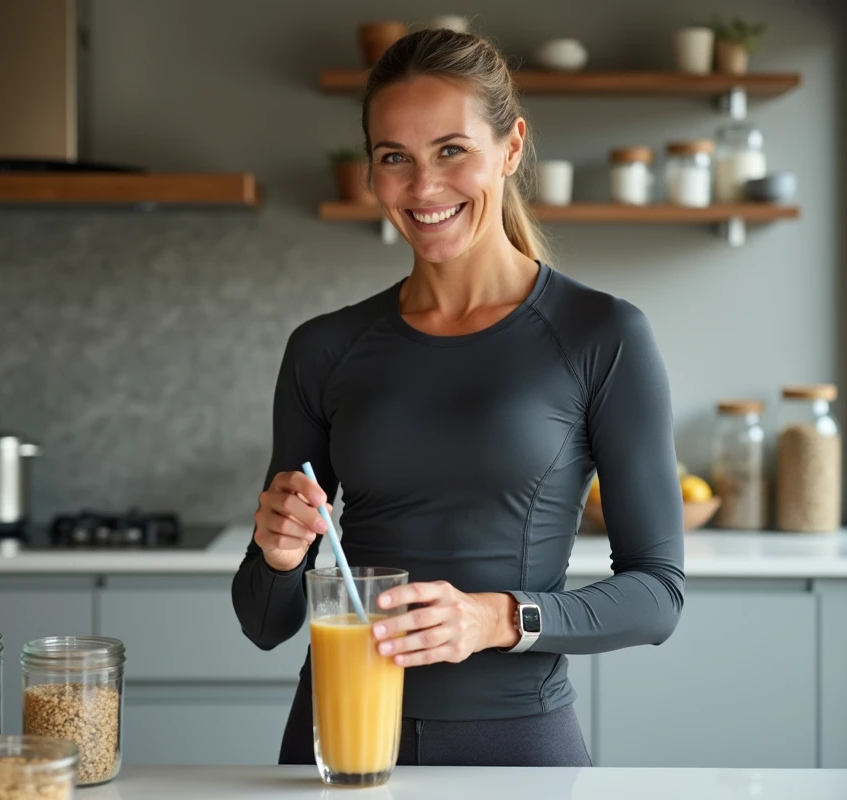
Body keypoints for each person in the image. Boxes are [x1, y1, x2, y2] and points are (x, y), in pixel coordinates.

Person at [231, 28, 685, 768]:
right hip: (341, 738)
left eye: (452, 150)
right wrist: (280, 556)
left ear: (510, 149)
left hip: (516, 746)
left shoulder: (602, 335)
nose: (424, 187)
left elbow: (658, 595)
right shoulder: (323, 347)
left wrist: (498, 618)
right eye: (394, 158)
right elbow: (263, 621)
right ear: (372, 172)